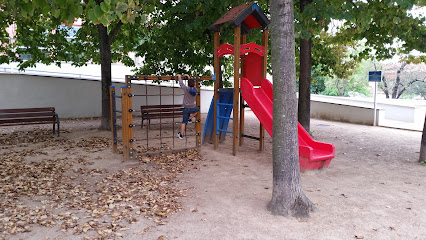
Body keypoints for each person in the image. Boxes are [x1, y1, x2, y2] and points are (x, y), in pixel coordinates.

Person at [176, 74, 199, 139]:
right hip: (192, 108)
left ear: (188, 84)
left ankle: (181, 134)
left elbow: (181, 84)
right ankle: (190, 118)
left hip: (186, 108)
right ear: (194, 84)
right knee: (198, 109)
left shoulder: (186, 89)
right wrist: (189, 78)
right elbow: (192, 85)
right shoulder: (196, 90)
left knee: (184, 122)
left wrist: (179, 77)